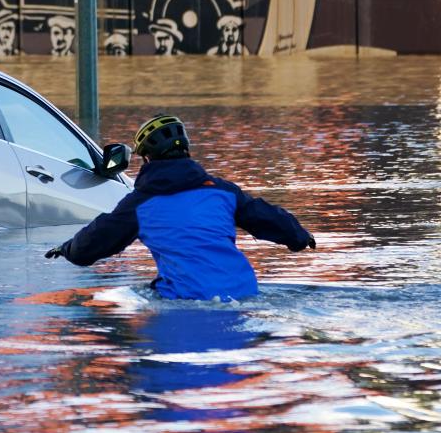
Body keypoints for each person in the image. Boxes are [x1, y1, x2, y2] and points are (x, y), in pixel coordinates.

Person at [45, 115, 315, 301]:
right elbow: (267, 217)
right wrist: (300, 236)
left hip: (186, 300)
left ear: (147, 158)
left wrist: (67, 248)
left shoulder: (140, 204)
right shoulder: (222, 191)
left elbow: (94, 242)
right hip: (245, 291)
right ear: (187, 150)